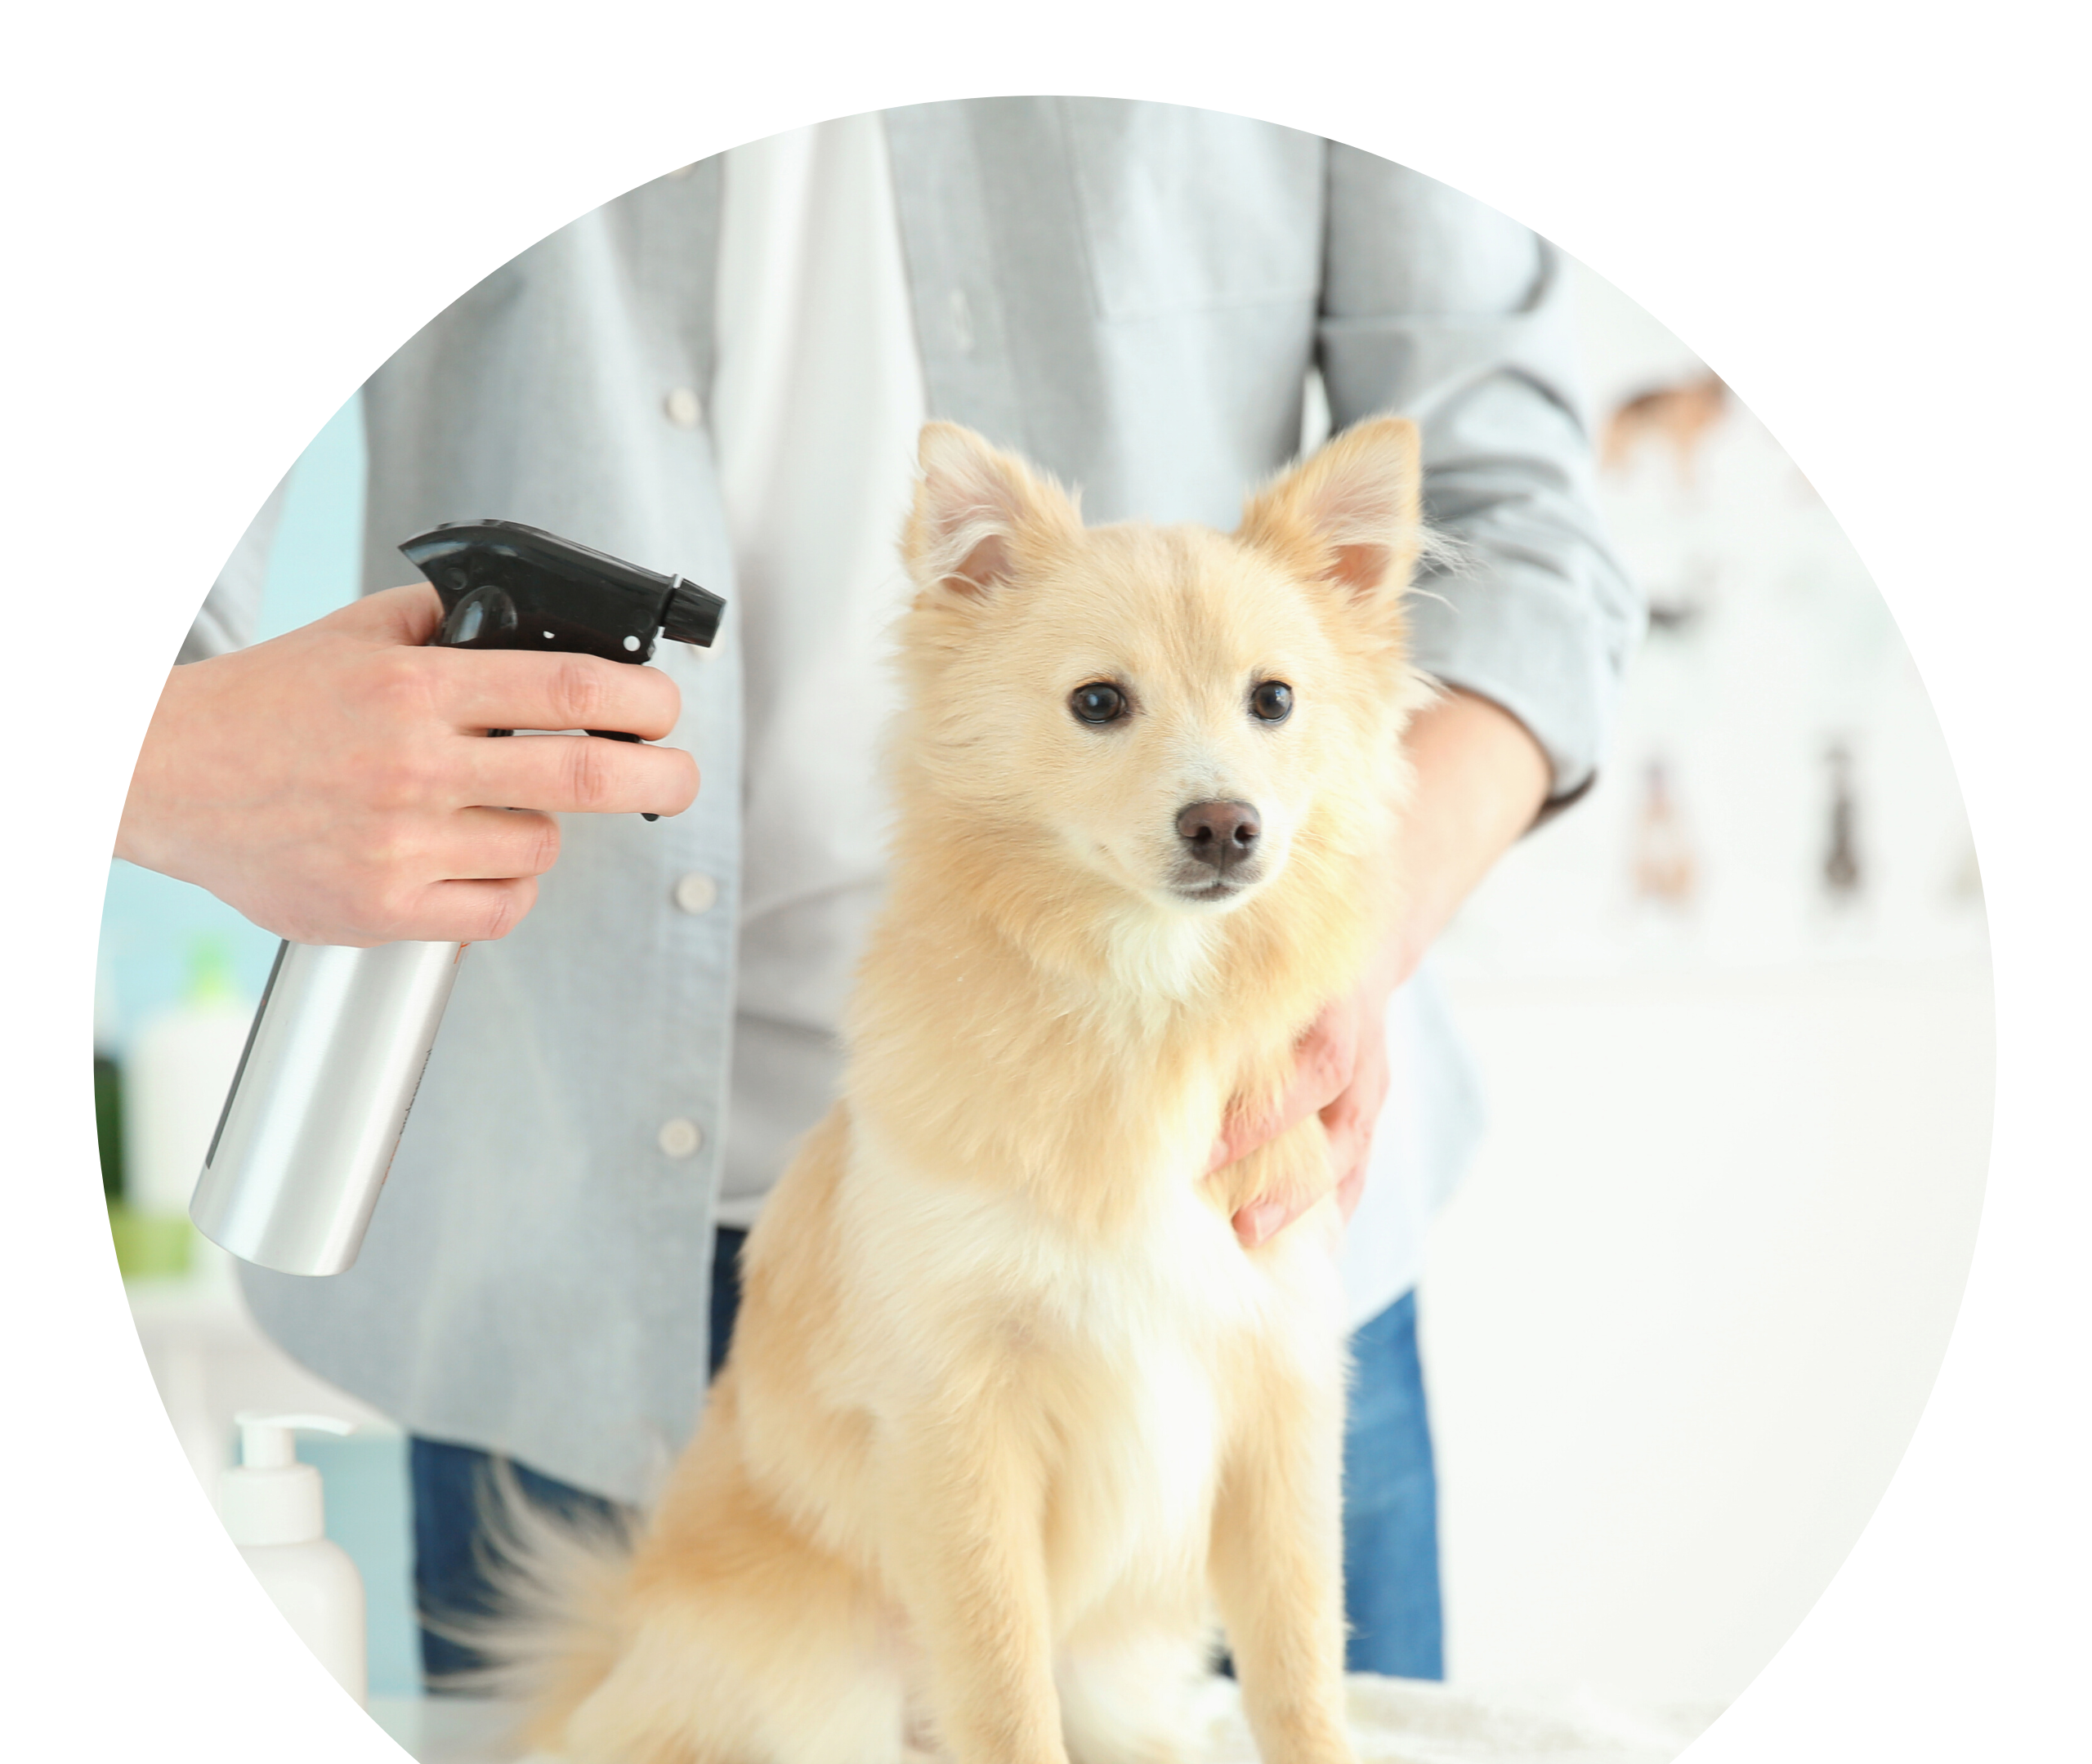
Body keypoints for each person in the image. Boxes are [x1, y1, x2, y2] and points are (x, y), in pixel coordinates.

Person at [122, 102, 1642, 1682]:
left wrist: (1348, 934)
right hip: (567, 1262)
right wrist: (163, 754)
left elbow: (1521, 533)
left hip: (1227, 1210)